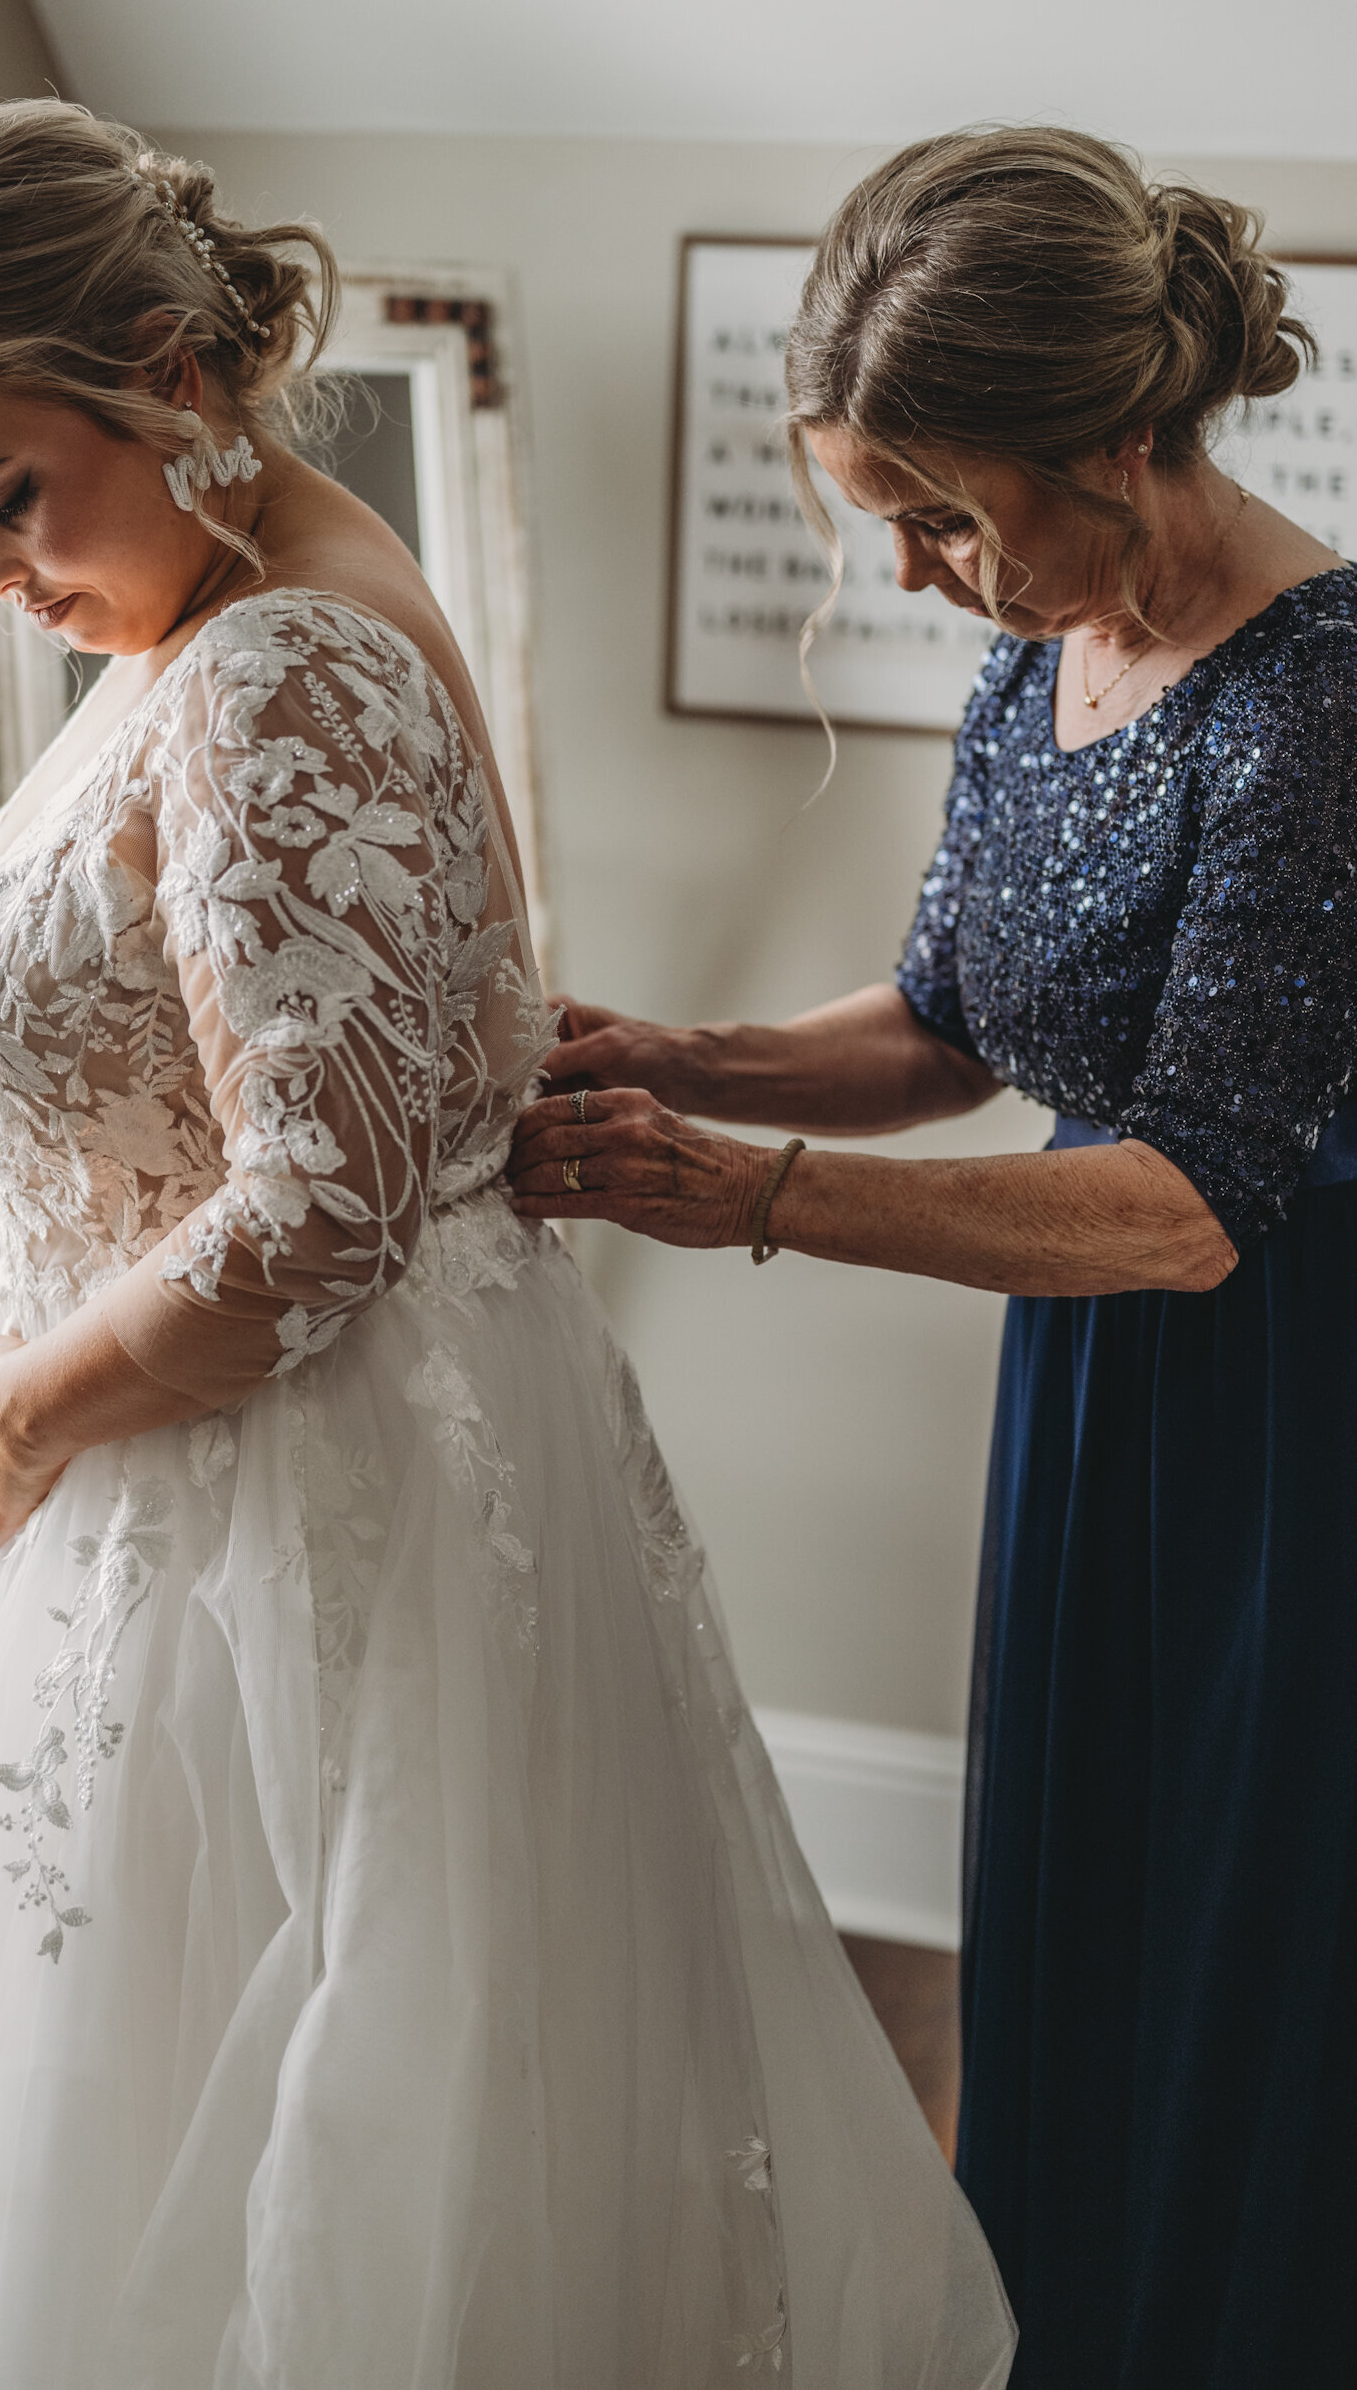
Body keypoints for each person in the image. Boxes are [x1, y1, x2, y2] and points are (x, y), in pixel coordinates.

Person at [0, 101, 1014, 2390]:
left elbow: (315, 1213)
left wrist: (19, 1392)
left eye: (7, 493)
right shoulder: (213, 605)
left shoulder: (282, 661)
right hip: (177, 1511)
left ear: (169, 363)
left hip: (257, 1519)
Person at [509, 126, 1357, 2390]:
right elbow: (958, 1026)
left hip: (1287, 1390)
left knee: (1248, 1933)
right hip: (1098, 1365)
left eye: (945, 506)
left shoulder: (1317, 699)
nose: (911, 566)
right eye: (879, 511)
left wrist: (748, 1194)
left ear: (1121, 431)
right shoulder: (1045, 638)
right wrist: (675, 1055)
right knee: (1081, 1890)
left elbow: (1191, 1195)